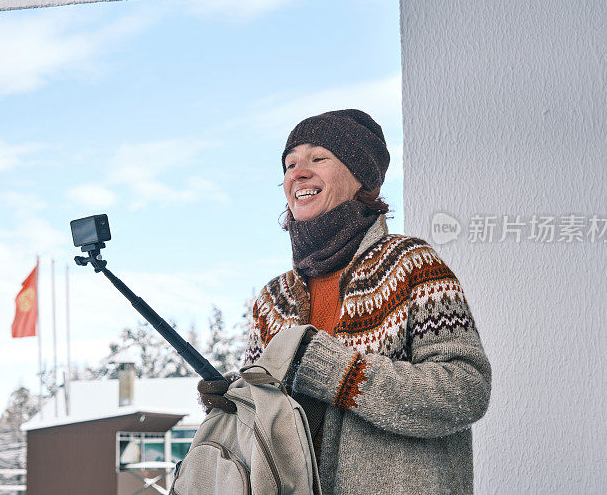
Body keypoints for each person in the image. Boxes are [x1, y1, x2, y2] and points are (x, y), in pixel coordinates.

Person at [198, 109, 492, 495]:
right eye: (290, 164)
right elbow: (266, 422)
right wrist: (234, 401)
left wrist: (342, 375)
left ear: (362, 178)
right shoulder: (274, 299)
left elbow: (466, 390)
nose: (297, 174)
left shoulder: (411, 264)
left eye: (318, 158)